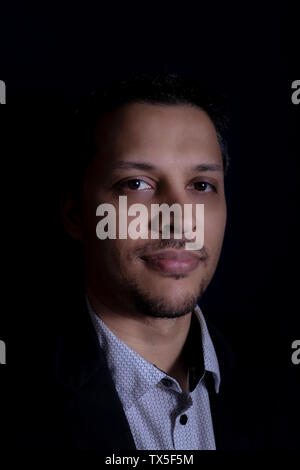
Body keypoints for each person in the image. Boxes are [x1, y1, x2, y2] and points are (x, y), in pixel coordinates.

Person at [0, 74, 295, 450]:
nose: (178, 219)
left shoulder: (281, 381)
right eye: (136, 184)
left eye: (201, 185)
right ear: (76, 215)